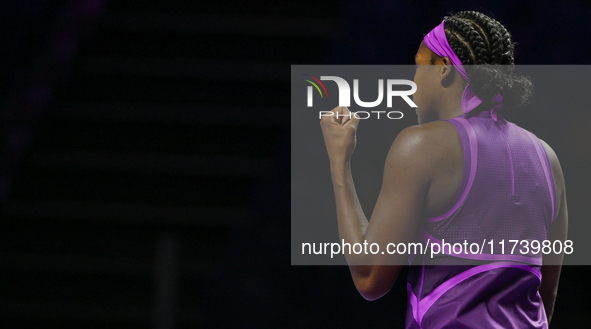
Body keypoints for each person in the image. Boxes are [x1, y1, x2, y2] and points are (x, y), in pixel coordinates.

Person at [320, 11, 567, 328]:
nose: (412, 82)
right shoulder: (549, 159)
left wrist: (339, 161)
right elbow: (545, 294)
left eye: (419, 66)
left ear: (444, 69)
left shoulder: (421, 146)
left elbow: (370, 278)